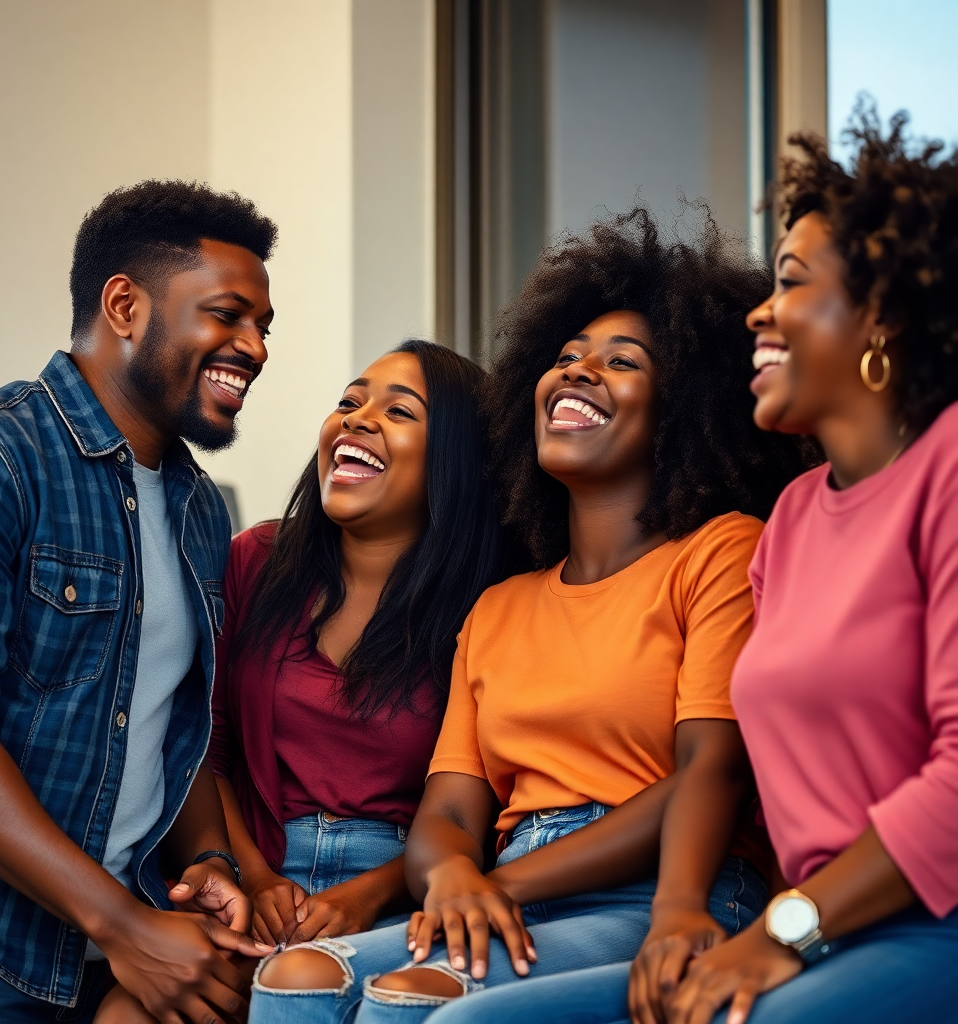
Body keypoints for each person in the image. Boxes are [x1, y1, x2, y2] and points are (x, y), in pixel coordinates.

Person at [432, 110, 958, 1024]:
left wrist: (775, 929)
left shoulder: (946, 473)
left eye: (791, 281)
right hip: (819, 930)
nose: (760, 308)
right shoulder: (792, 521)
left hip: (919, 921)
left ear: (882, 316)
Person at [247, 208, 815, 1024]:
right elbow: (448, 811)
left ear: (686, 405)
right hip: (506, 885)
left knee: (413, 998)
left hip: (661, 888)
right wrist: (453, 878)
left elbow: (710, 773)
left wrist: (494, 883)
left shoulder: (720, 554)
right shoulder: (500, 607)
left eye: (623, 363)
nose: (579, 372)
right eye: (566, 357)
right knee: (298, 976)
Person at [0, 180, 278, 1024]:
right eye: (228, 315)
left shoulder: (200, 507)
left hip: (118, 959)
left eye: (264, 327)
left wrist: (208, 863)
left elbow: (172, 720)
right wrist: (123, 924)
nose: (256, 348)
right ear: (124, 305)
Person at [94, 339, 510, 1023]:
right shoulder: (255, 560)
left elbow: (485, 804)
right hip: (257, 866)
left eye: (398, 411)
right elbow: (203, 741)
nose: (356, 417)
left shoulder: (489, 602)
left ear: (455, 462)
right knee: (126, 1014)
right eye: (348, 401)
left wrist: (367, 897)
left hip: (409, 891)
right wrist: (250, 876)